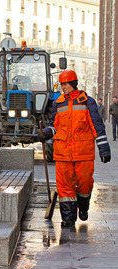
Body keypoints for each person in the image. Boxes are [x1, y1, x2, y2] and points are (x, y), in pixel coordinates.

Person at [39, 70, 111, 227]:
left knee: (85, 183)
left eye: (65, 84)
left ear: (73, 84)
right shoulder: (57, 103)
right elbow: (55, 126)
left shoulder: (87, 102)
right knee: (65, 186)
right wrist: (46, 133)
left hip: (83, 152)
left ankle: (83, 206)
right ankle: (68, 218)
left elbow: (97, 126)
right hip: (63, 152)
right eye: (61, 84)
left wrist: (104, 149)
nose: (62, 87)